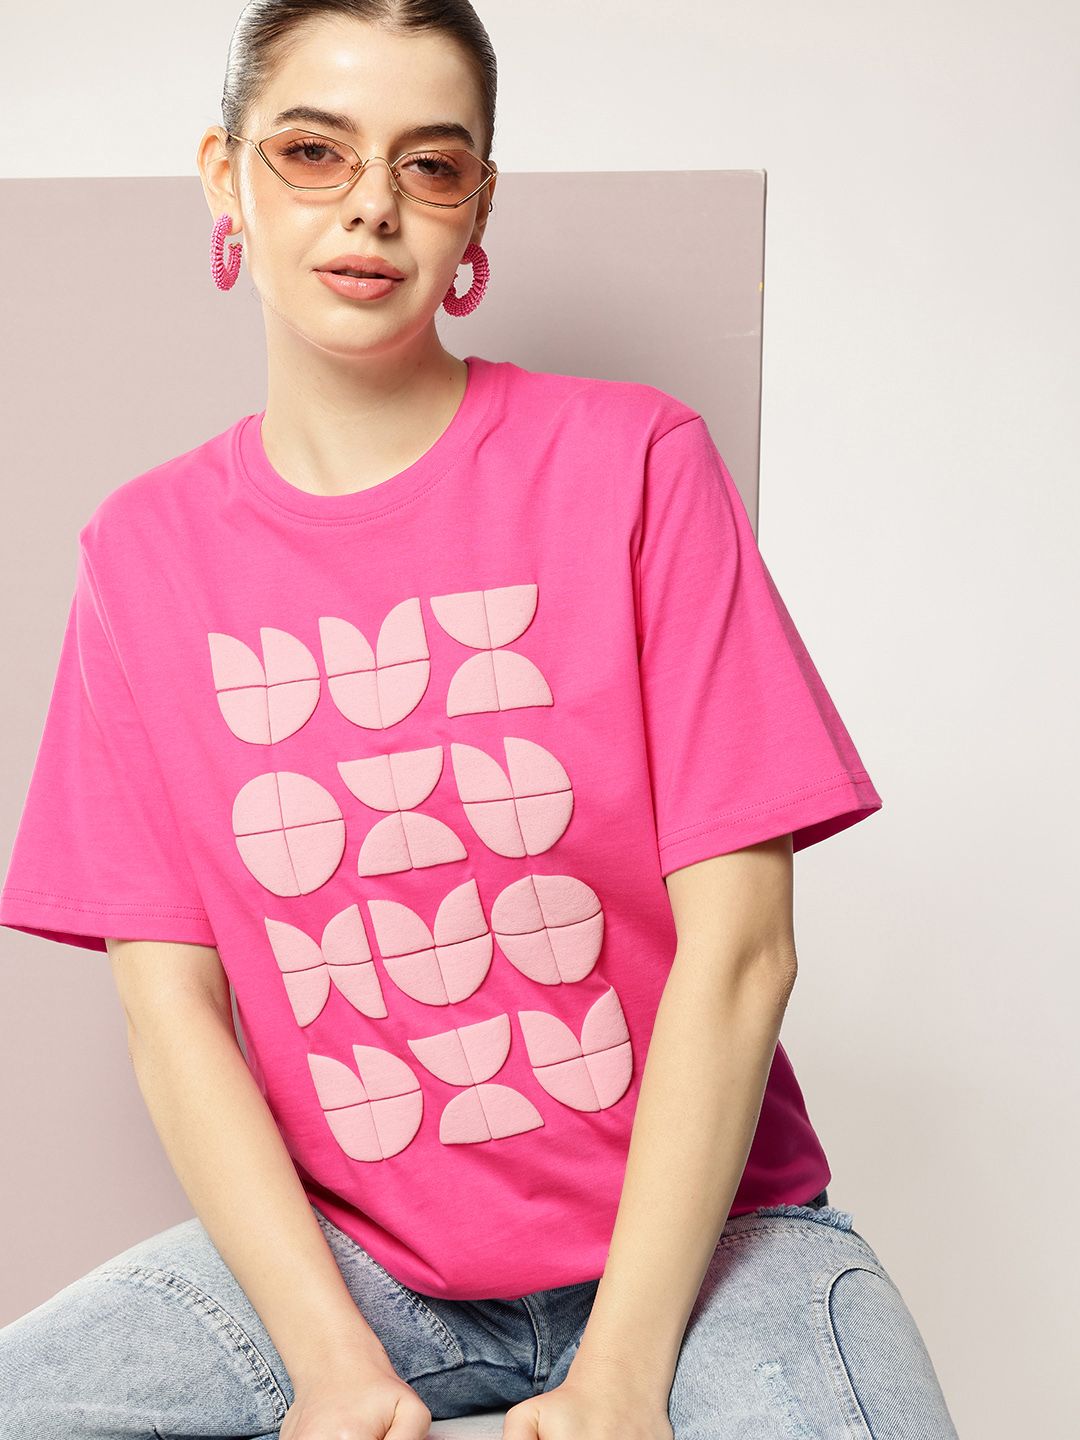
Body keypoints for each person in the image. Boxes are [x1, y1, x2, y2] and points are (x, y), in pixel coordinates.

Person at [0, 3, 960, 1437]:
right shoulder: (143, 555)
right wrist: (330, 1363)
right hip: (365, 1264)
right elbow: (172, 1009)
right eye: (313, 151)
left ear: (478, 206)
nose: (370, 207)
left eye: (430, 163)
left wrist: (620, 1370)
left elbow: (745, 951)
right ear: (224, 175)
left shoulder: (634, 464)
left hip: (714, 1248)